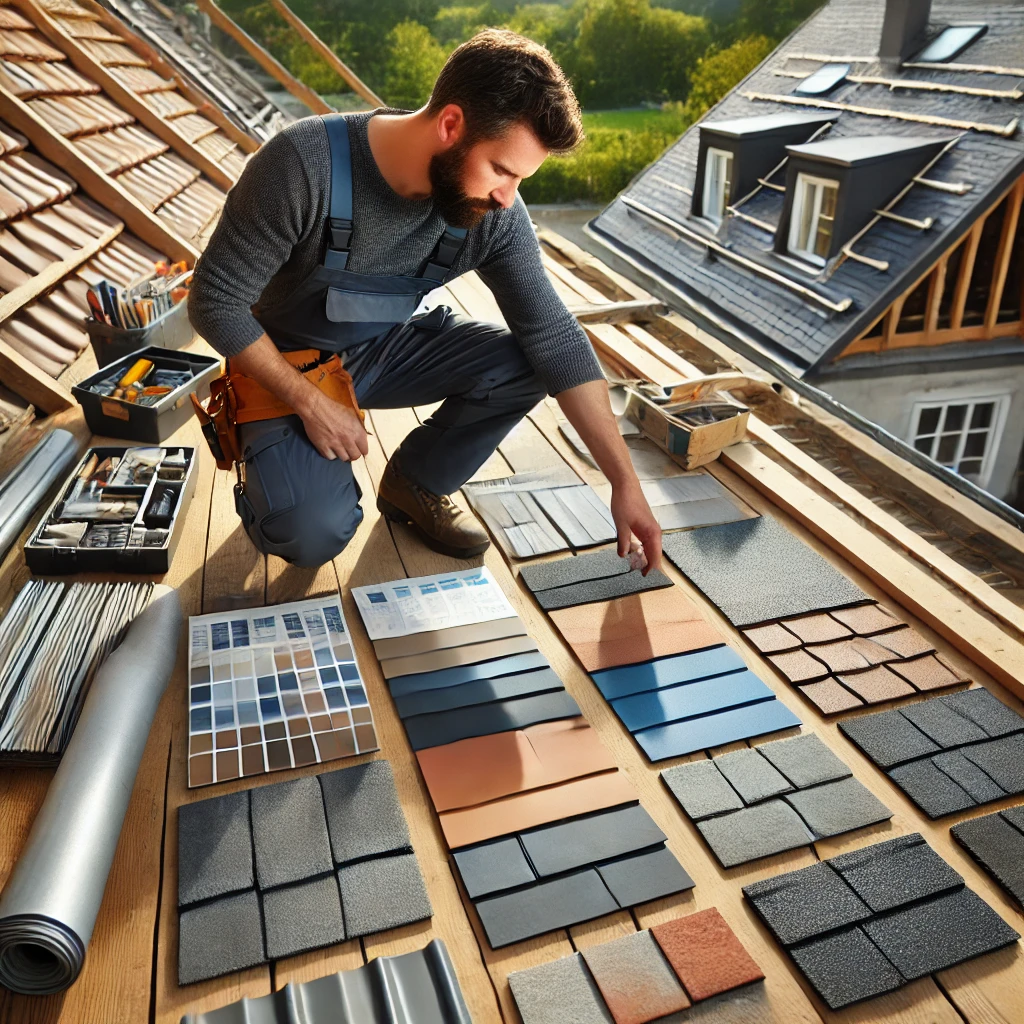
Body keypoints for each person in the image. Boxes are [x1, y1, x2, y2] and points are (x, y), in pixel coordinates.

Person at [188, 28, 662, 571]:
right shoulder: (303, 165)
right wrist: (310, 403)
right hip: (281, 367)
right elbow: (214, 300)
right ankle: (266, 471)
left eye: (521, 179)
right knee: (311, 535)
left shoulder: (494, 214)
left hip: (381, 350)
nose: (508, 197)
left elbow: (554, 335)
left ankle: (415, 483)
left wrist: (625, 482)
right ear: (451, 125)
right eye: (502, 170)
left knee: (526, 362)